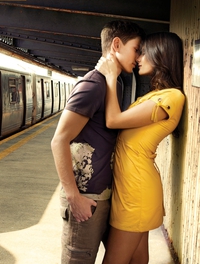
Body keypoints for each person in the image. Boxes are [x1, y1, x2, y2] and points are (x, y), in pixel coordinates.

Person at [51, 20, 145, 264]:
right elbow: (59, 140)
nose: (139, 57)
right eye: (136, 49)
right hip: (87, 196)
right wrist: (73, 197)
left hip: (105, 195)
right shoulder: (93, 84)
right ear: (116, 45)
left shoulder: (112, 84)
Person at [96, 32, 185, 264]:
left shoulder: (172, 97)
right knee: (137, 260)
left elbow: (113, 120)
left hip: (137, 193)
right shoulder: (154, 96)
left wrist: (110, 77)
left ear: (161, 56)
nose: (138, 58)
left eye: (143, 52)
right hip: (129, 189)